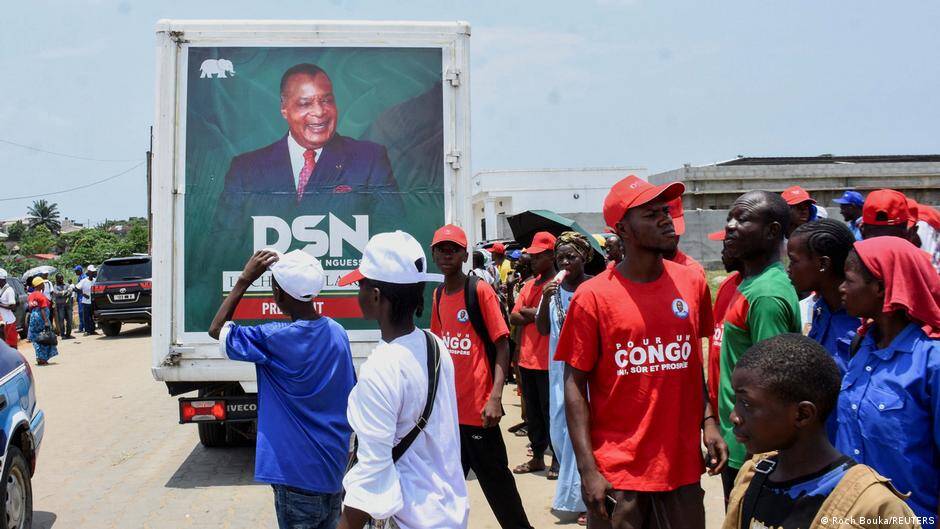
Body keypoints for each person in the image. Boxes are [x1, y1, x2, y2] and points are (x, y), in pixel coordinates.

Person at [556, 175, 727, 529]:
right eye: (651, 215)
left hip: (682, 470)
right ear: (622, 229)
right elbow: (573, 385)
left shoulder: (692, 282)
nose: (666, 219)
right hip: (619, 475)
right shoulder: (592, 297)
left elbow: (691, 363)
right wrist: (588, 470)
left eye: (665, 211)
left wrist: (708, 421)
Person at [208, 249, 355, 529]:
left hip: (295, 474)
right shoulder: (337, 332)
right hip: (332, 471)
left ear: (278, 294)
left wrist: (244, 280)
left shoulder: (274, 338)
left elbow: (217, 330)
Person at [338, 231, 468, 529]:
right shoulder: (435, 345)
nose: (358, 292)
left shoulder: (381, 368)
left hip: (411, 519)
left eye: (360, 284)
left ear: (375, 296)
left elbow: (371, 475)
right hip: (449, 513)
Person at [723, 333, 919, 529]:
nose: (734, 416)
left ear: (802, 414)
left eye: (746, 403)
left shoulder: (874, 506)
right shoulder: (752, 476)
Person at [429, 224, 532, 529]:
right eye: (441, 249)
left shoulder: (479, 290)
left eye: (454, 249)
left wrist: (495, 398)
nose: (447, 254)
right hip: (451, 416)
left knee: (498, 486)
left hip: (479, 413)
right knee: (445, 491)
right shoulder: (438, 294)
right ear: (433, 254)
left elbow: (502, 345)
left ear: (465, 255)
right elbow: (440, 350)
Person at [214, 63, 401, 227]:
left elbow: (390, 234)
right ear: (284, 109)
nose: (319, 111)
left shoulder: (370, 159)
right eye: (305, 103)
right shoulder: (246, 170)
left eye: (327, 101)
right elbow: (226, 243)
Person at [837, 236, 940, 526]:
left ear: (882, 287)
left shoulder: (932, 360)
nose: (841, 288)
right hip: (851, 516)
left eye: (849, 280)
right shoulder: (861, 346)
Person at [718, 190, 802, 501]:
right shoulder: (750, 284)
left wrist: (758, 456)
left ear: (772, 231)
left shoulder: (766, 295)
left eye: (742, 219)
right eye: (730, 218)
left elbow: (771, 383)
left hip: (753, 451)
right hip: (740, 441)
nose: (730, 226)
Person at [535, 232, 592, 524]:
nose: (566, 262)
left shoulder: (594, 288)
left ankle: (586, 500)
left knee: (582, 435)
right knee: (560, 434)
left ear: (585, 257)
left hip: (589, 376)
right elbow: (543, 329)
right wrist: (545, 300)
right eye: (561, 258)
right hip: (560, 373)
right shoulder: (553, 291)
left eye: (572, 256)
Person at [509, 231, 557, 477]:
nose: (533, 260)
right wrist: (535, 313)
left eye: (538, 256)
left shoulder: (558, 285)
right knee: (534, 414)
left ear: (551, 255)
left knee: (553, 414)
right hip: (527, 360)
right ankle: (538, 456)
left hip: (549, 362)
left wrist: (532, 313)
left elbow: (550, 319)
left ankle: (557, 459)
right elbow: (514, 316)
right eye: (532, 256)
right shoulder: (529, 285)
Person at [786, 220, 860, 375]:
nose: (789, 269)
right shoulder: (820, 309)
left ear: (823, 264)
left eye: (793, 261)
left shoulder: (860, 321)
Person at [707, 239, 743, 415]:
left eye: (729, 246)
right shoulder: (727, 285)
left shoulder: (763, 296)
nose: (722, 252)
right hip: (718, 405)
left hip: (741, 414)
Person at [28, 277, 58, 366]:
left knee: (36, 338)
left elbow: (30, 308)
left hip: (33, 318)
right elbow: (42, 309)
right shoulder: (40, 295)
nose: (43, 285)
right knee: (44, 337)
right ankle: (43, 359)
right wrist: (46, 321)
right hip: (41, 317)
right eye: (42, 284)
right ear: (39, 285)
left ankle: (39, 357)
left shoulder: (31, 295)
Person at [76, 265, 97, 335]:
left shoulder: (95, 281)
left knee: (92, 317)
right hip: (86, 302)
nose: (93, 273)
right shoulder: (84, 281)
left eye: (94, 272)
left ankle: (92, 330)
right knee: (86, 317)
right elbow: (76, 288)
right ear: (89, 272)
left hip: (93, 302)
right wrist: (83, 294)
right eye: (92, 272)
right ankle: (87, 330)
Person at [52, 274, 74, 339]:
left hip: (68, 305)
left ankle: (68, 334)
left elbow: (70, 292)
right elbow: (57, 293)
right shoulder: (55, 286)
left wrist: (63, 293)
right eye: (59, 278)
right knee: (61, 321)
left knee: (69, 320)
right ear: (56, 279)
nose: (61, 279)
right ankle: (62, 334)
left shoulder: (67, 285)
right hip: (60, 306)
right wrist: (65, 292)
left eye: (62, 278)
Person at [0, 269, 18, 348]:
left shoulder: (9, 290)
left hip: (9, 322)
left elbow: (13, 307)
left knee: (12, 345)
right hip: (2, 322)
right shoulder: (1, 289)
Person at [73, 265, 85, 333]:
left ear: (80, 270)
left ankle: (83, 327)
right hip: (80, 296)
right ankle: (81, 327)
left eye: (76, 271)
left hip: (82, 297)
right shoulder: (80, 277)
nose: (75, 272)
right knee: (81, 312)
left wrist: (75, 289)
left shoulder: (83, 277)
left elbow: (82, 288)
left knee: (82, 312)